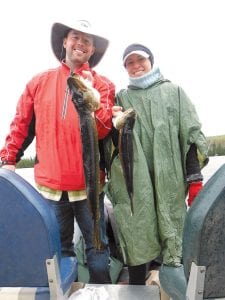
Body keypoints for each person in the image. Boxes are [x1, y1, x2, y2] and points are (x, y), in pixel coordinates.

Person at [0, 20, 115, 284]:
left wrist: (93, 98)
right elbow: (21, 125)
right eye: (76, 36)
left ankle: (100, 293)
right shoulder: (38, 82)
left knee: (97, 250)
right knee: (59, 251)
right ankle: (67, 290)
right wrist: (8, 159)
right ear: (64, 41)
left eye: (88, 41)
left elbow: (103, 129)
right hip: (50, 189)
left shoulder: (103, 85)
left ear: (93, 50)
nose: (81, 44)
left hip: (89, 189)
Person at [106, 43, 208, 293]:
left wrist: (194, 179)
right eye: (129, 62)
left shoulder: (174, 92)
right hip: (135, 184)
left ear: (151, 61)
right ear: (125, 68)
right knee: (138, 230)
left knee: (173, 235)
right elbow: (109, 145)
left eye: (140, 59)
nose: (136, 66)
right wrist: (111, 123)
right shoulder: (121, 98)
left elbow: (191, 135)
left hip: (170, 183)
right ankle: (137, 290)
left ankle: (178, 290)